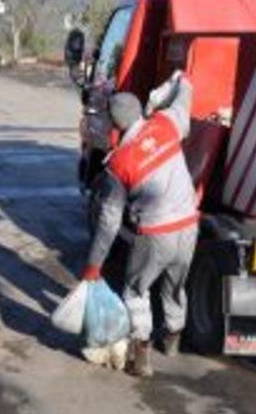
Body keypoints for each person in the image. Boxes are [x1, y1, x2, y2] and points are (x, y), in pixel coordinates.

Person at [81, 72, 198, 377]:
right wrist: (180, 80)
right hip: (189, 226)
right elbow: (185, 97)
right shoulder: (167, 124)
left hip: (155, 234)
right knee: (175, 285)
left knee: (136, 290)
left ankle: (142, 356)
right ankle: (173, 339)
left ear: (116, 124)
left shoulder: (118, 164)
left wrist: (94, 264)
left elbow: (108, 222)